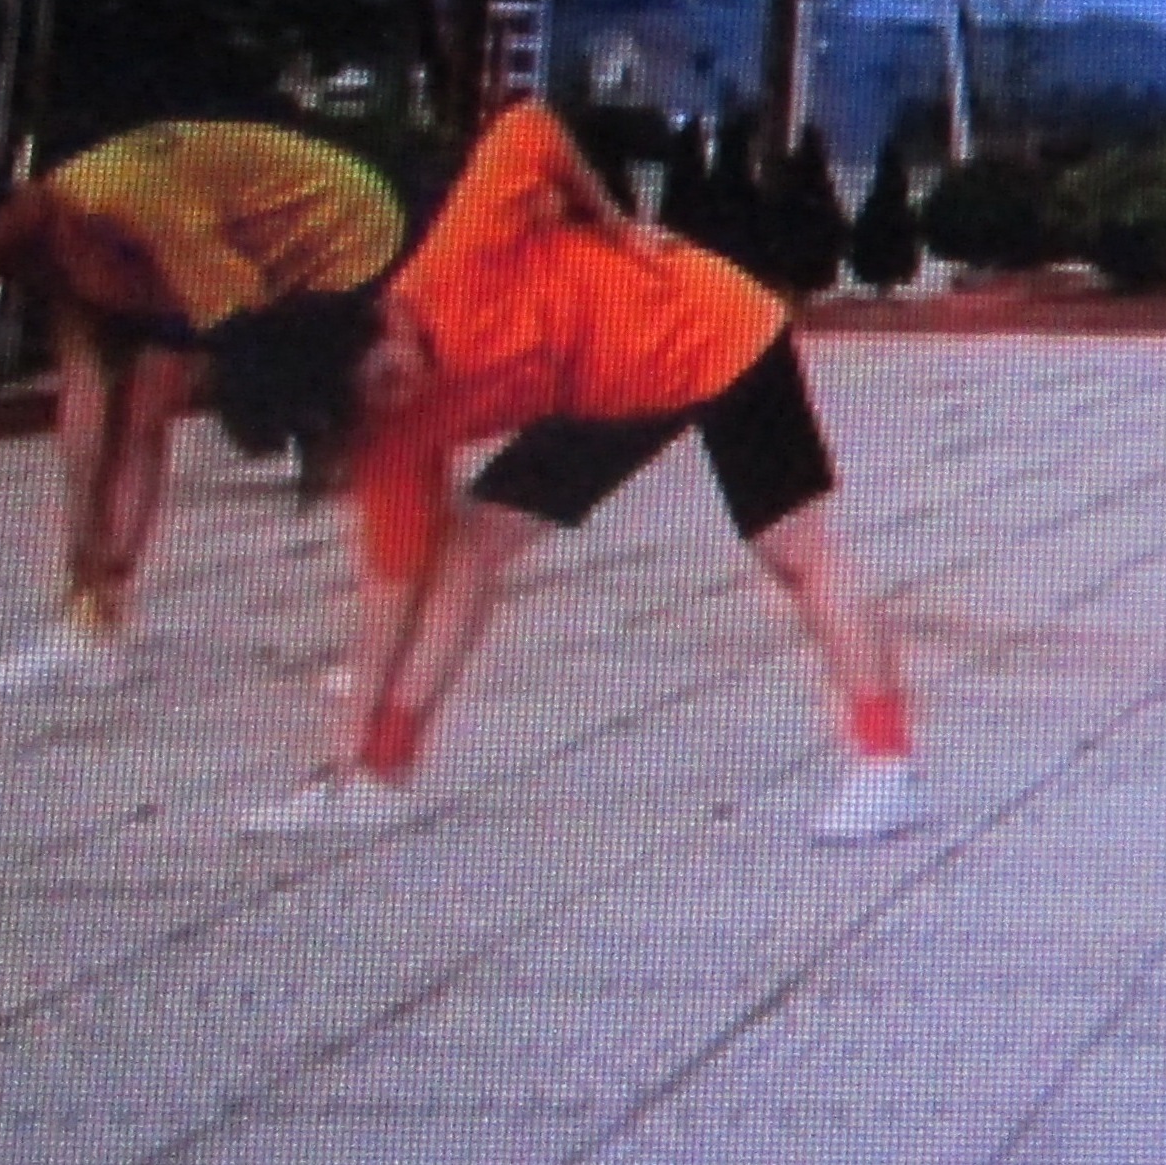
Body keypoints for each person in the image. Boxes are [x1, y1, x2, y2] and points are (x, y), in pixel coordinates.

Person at [207, 101, 925, 843]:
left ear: (385, 319)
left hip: (716, 331)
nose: (403, 394)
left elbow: (528, 128)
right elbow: (386, 603)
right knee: (465, 552)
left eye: (390, 374)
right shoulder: (391, 436)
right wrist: (344, 752)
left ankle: (887, 766)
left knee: (795, 551)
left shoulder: (456, 259)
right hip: (604, 389)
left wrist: (615, 223)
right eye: (375, 402)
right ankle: (382, 772)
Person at [0, 120, 405, 697]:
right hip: (229, 240)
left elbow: (234, 316)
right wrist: (83, 549)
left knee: (374, 428)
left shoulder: (133, 208)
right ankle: (92, 623)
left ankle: (394, 642)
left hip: (340, 228)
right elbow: (86, 399)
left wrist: (294, 401)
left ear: (10, 212)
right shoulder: (60, 237)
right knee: (135, 410)